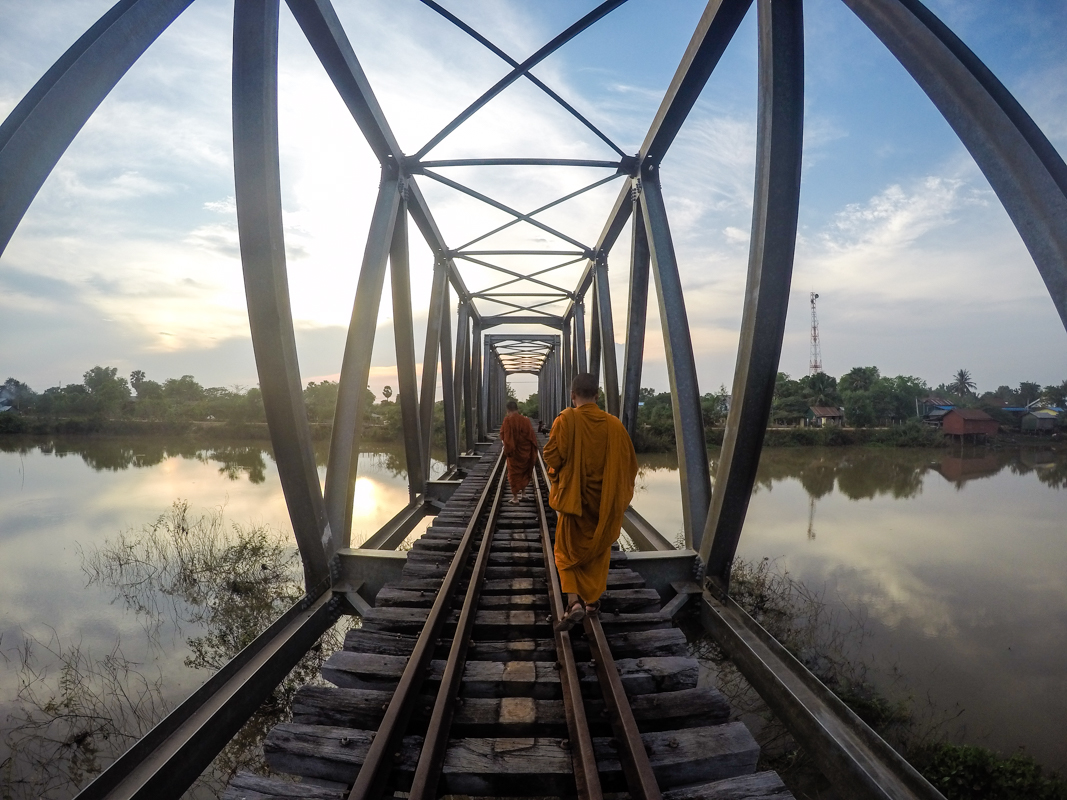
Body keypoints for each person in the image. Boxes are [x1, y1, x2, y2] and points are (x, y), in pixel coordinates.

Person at [543, 373, 638, 631]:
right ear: (597, 396)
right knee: (597, 550)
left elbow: (551, 456)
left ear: (573, 395)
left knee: (566, 552)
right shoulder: (614, 425)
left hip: (575, 502)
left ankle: (573, 603)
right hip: (603, 503)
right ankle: (592, 602)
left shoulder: (566, 420)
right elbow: (630, 464)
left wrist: (560, 473)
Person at [499, 399, 540, 504]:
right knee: (524, 472)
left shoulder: (507, 421)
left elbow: (504, 437)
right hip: (525, 452)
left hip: (514, 453)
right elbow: (532, 438)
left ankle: (515, 498)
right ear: (517, 409)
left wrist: (507, 449)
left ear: (508, 410)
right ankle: (524, 494)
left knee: (514, 473)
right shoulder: (526, 420)